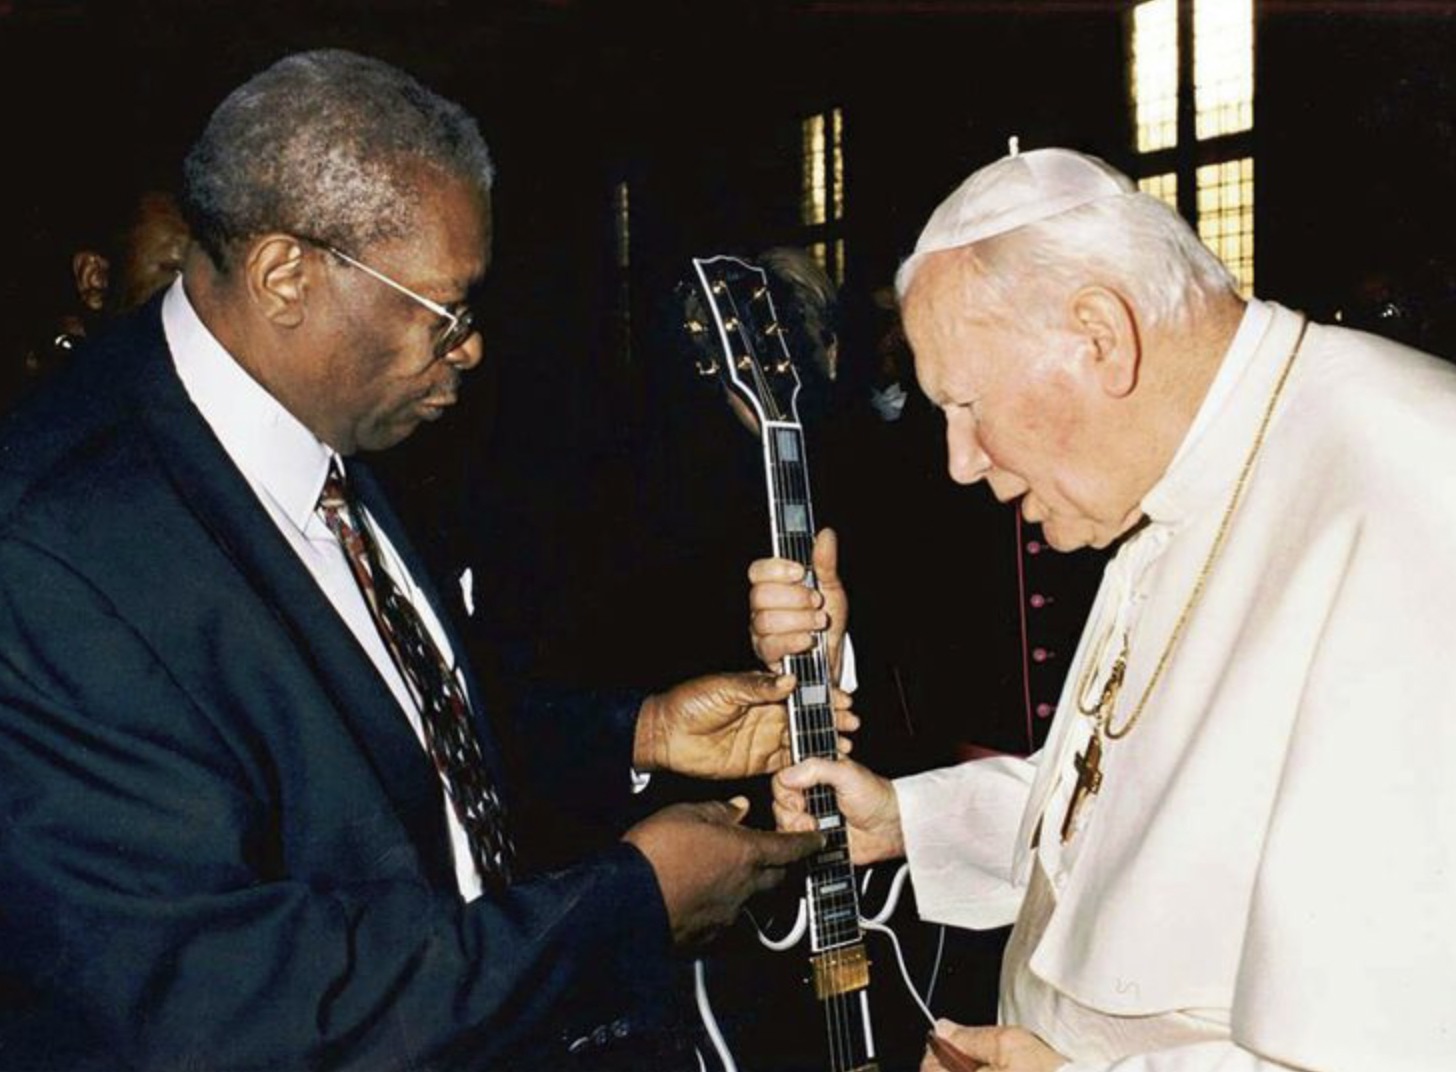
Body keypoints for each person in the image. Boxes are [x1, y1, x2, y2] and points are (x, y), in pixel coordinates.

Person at [0, 50, 853, 1072]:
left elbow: (394, 749)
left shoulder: (322, 431)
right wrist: (624, 905)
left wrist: (640, 730)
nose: (473, 346)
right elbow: (221, 1004)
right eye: (445, 309)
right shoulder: (56, 544)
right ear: (286, 277)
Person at [752, 147, 1456, 1070]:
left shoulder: (1412, 492)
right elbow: (1135, 798)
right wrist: (907, 820)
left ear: (1099, 338)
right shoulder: (1179, 469)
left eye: (966, 404)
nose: (961, 462)